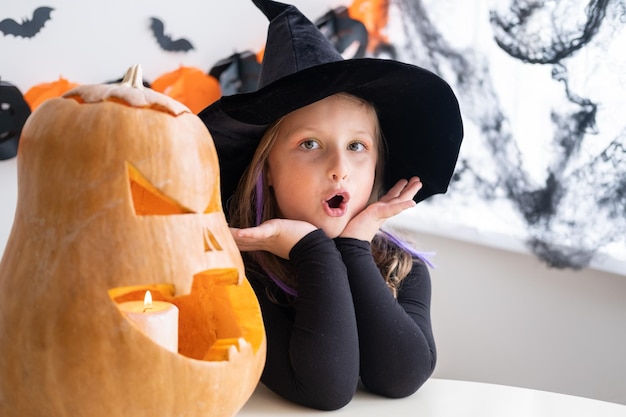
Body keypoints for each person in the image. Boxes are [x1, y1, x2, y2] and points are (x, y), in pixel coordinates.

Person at [198, 0, 463, 411]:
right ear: (267, 169)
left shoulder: (400, 266)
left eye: (357, 146)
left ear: (376, 166)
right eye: (310, 144)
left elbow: (402, 376)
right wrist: (312, 249)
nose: (340, 168)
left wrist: (355, 247)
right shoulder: (240, 274)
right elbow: (325, 390)